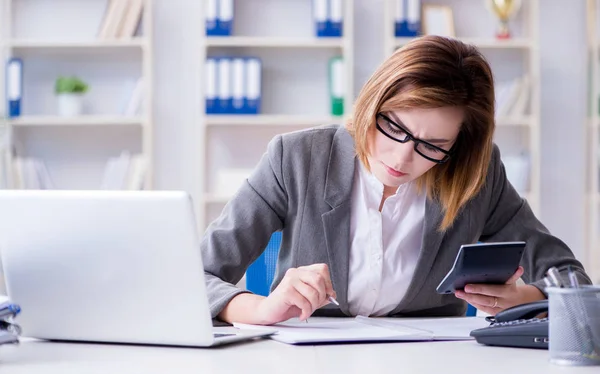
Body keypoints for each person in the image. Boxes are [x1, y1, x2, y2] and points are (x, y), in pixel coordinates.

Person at [201, 35, 592, 326]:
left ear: (459, 146)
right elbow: (196, 277)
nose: (402, 157)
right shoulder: (296, 158)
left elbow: (570, 278)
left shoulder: (478, 173)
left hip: (427, 372)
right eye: (393, 126)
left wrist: (527, 298)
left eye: (433, 146)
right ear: (373, 101)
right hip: (310, 368)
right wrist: (260, 309)